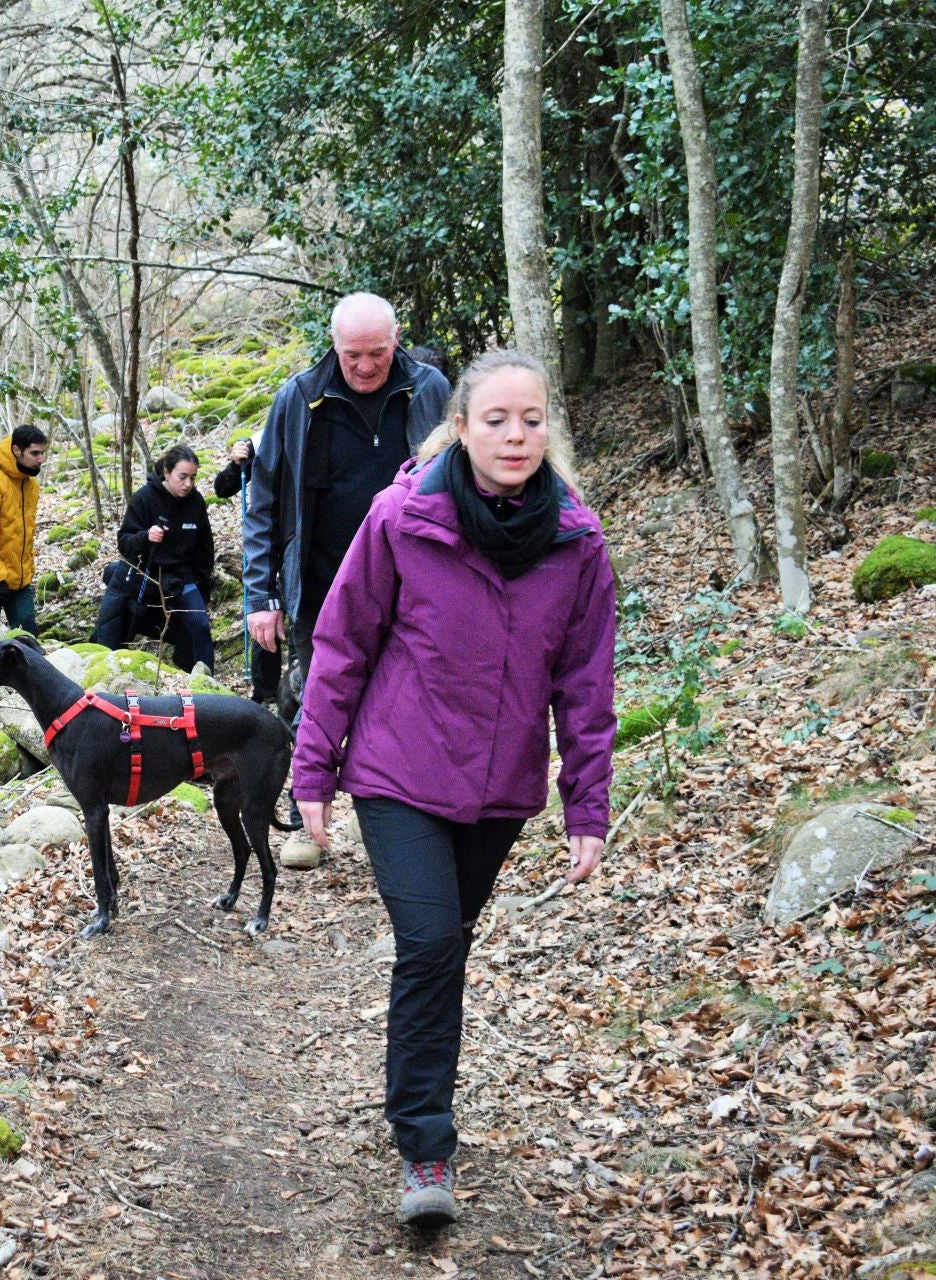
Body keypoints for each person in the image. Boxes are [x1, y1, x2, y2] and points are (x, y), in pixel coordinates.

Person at [288, 349, 616, 1230]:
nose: (516, 436)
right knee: (431, 942)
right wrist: (312, 768)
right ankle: (424, 1147)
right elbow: (343, 643)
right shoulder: (403, 518)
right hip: (398, 773)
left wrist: (588, 802)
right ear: (461, 425)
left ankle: (418, 1094)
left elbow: (587, 685)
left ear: (550, 429)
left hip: (500, 790)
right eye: (497, 419)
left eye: (532, 420)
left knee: (448, 946)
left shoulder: (577, 544)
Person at [242, 293, 451, 869]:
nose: (364, 367)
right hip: (321, 582)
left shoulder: (429, 388)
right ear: (334, 346)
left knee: (412, 702)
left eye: (377, 354)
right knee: (318, 699)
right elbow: (264, 499)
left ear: (397, 340)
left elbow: (459, 478)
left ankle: (416, 826)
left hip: (414, 585)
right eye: (353, 354)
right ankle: (308, 819)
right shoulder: (300, 397)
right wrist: (261, 595)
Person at [90, 445, 217, 673]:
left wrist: (202, 586)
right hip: (141, 575)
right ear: (166, 472)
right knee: (113, 629)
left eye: (193, 477)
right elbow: (125, 541)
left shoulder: (196, 501)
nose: (188, 483)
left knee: (199, 626)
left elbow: (204, 549)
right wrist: (145, 537)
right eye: (182, 477)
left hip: (181, 577)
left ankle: (205, 684)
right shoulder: (144, 498)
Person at [213, 433, 279, 703]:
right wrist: (236, 463)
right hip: (267, 534)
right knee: (265, 606)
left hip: (310, 533)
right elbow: (223, 488)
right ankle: (266, 693)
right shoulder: (264, 438)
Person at [0, 425, 48, 634]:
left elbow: (25, 534)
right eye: (34, 453)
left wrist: (27, 571)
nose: (41, 459)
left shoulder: (31, 485)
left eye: (42, 453)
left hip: (21, 580)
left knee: (29, 639)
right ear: (17, 451)